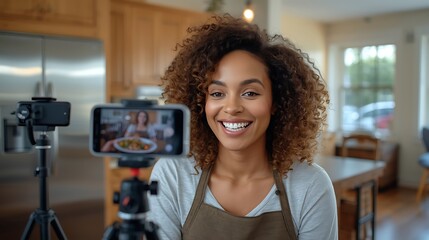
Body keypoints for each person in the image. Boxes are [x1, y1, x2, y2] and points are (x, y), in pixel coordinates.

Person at [146, 15, 338, 240]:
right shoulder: (173, 175)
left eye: (250, 93)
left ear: (276, 102)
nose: (232, 107)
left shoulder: (310, 186)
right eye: (217, 93)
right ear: (201, 102)